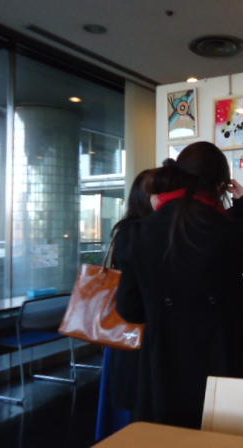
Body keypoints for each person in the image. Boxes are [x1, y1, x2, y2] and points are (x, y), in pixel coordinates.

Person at [116, 142, 243, 428]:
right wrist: (241, 202)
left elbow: (130, 309)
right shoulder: (224, 225)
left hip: (164, 365)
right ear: (220, 184)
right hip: (223, 359)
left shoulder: (137, 231)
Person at [97, 168, 156, 439]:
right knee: (138, 407)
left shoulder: (127, 229)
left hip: (128, 332)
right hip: (133, 331)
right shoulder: (136, 232)